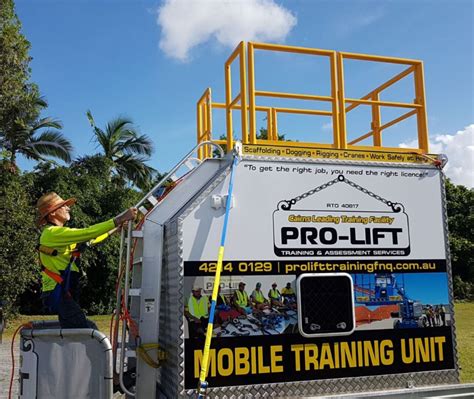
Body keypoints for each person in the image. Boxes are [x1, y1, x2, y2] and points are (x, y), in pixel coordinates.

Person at [37, 192, 137, 329]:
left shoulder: (59, 234)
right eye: (63, 206)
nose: (68, 208)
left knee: (77, 331)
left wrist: (114, 229)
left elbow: (89, 240)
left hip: (63, 292)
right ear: (52, 213)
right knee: (88, 331)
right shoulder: (52, 233)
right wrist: (119, 219)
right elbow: (87, 233)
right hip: (58, 293)